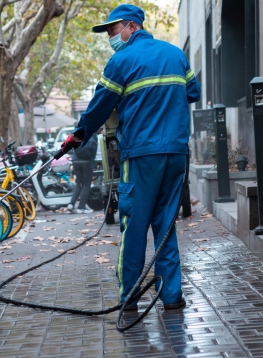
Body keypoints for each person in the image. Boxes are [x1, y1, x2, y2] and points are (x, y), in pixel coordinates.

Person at [60, 4, 201, 310]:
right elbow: (193, 92)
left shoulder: (121, 61)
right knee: (166, 223)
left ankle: (130, 297)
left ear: (131, 26)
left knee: (134, 224)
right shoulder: (175, 54)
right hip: (176, 152)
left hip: (141, 155)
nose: (110, 37)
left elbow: (99, 107)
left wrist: (78, 135)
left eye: (112, 30)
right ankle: (172, 296)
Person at [67, 132, 98, 214]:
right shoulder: (93, 133)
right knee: (87, 184)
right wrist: (93, 161)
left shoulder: (78, 130)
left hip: (75, 160)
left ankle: (71, 204)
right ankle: (81, 207)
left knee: (79, 183)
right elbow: (94, 149)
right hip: (87, 161)